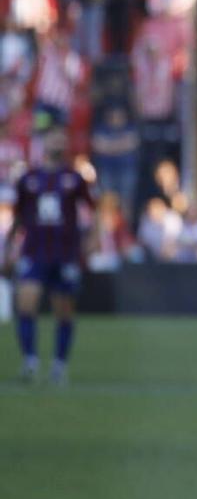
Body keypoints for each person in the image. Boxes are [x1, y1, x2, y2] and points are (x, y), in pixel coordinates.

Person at [10, 123, 94, 386]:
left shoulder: (74, 178)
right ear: (44, 144)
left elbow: (95, 209)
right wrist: (10, 247)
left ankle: (59, 364)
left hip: (64, 252)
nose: (57, 143)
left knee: (64, 310)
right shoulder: (28, 179)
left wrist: (92, 240)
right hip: (34, 250)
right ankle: (31, 361)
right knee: (26, 304)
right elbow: (19, 217)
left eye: (61, 139)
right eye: (53, 139)